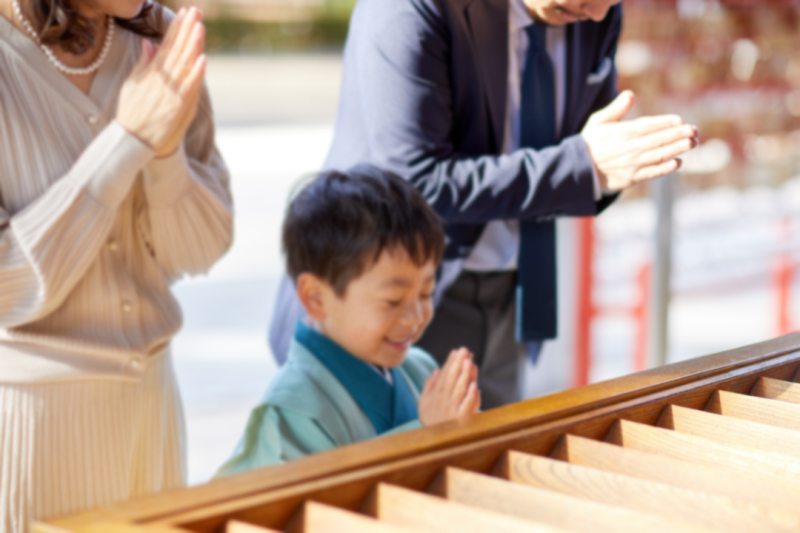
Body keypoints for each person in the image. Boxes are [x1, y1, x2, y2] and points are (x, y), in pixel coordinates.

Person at [269, 0, 699, 409]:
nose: (600, 12)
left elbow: (587, 152)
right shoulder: (411, 8)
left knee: (484, 471)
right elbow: (415, 181)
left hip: (514, 292)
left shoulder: (593, 10)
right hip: (395, 292)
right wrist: (580, 167)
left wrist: (608, 167)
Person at [0, 1, 232, 530]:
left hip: (153, 413)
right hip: (33, 427)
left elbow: (201, 249)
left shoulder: (163, 36)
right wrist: (125, 145)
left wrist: (166, 154)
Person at [218, 168, 479, 475]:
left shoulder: (420, 368)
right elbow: (323, 511)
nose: (416, 316)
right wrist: (426, 433)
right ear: (316, 297)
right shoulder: (291, 412)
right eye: (392, 300)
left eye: (426, 292)